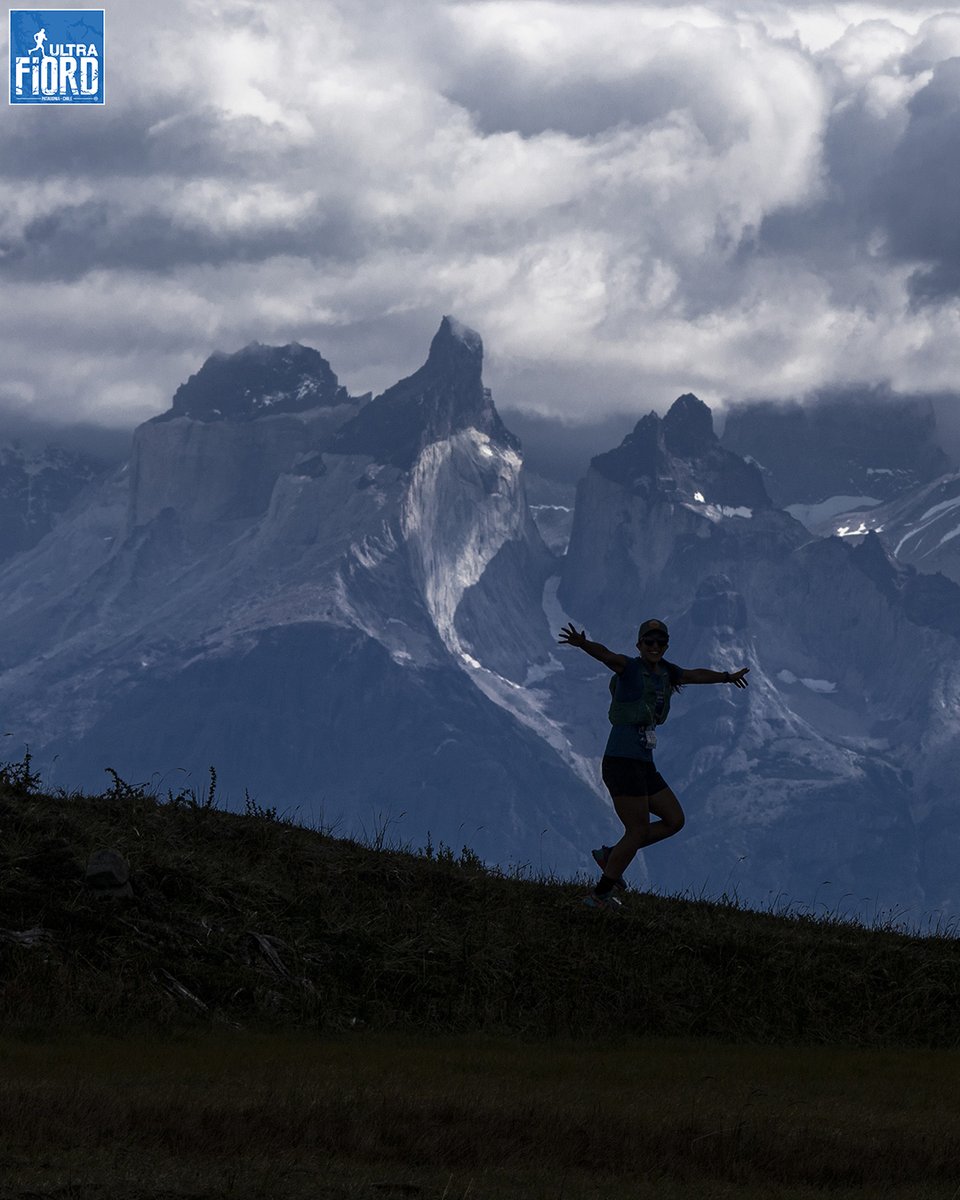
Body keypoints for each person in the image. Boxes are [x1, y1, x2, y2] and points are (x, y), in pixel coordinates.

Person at [558, 618, 749, 910]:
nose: (655, 647)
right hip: (621, 760)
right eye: (649, 642)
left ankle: (611, 856)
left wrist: (726, 677)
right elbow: (607, 655)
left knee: (674, 820)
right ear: (640, 645)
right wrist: (583, 644)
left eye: (661, 642)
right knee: (637, 829)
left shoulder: (667, 673)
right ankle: (599, 895)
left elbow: (694, 675)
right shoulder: (629, 668)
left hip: (644, 763)